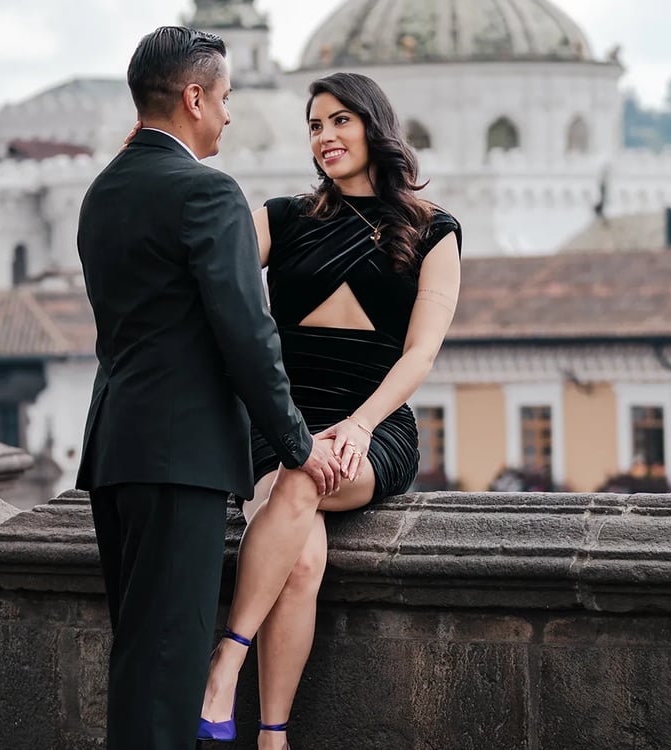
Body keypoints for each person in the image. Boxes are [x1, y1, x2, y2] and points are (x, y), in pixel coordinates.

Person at [75, 26, 341, 750]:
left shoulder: (103, 192)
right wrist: (297, 444)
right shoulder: (208, 193)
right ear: (193, 97)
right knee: (170, 665)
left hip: (115, 450)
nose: (227, 113)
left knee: (140, 659)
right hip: (178, 454)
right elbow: (247, 333)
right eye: (222, 98)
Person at [198, 72, 462, 749]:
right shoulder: (283, 218)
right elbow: (211, 278)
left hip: (373, 429)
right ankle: (273, 736)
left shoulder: (435, 232)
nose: (326, 136)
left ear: (374, 127)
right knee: (304, 559)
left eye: (340, 121)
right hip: (281, 422)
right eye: (315, 125)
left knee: (301, 475)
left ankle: (225, 661)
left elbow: (421, 355)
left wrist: (362, 423)